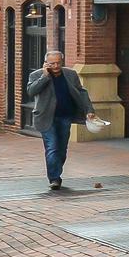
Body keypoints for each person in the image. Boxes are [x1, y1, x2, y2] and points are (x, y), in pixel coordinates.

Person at [25, 51, 93, 190]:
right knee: (52, 147)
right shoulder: (37, 75)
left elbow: (81, 91)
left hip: (65, 116)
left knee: (61, 149)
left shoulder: (70, 74)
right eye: (52, 63)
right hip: (46, 118)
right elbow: (31, 91)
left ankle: (56, 172)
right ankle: (54, 178)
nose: (55, 66)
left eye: (58, 63)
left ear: (62, 62)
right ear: (46, 63)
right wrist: (45, 76)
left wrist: (89, 110)